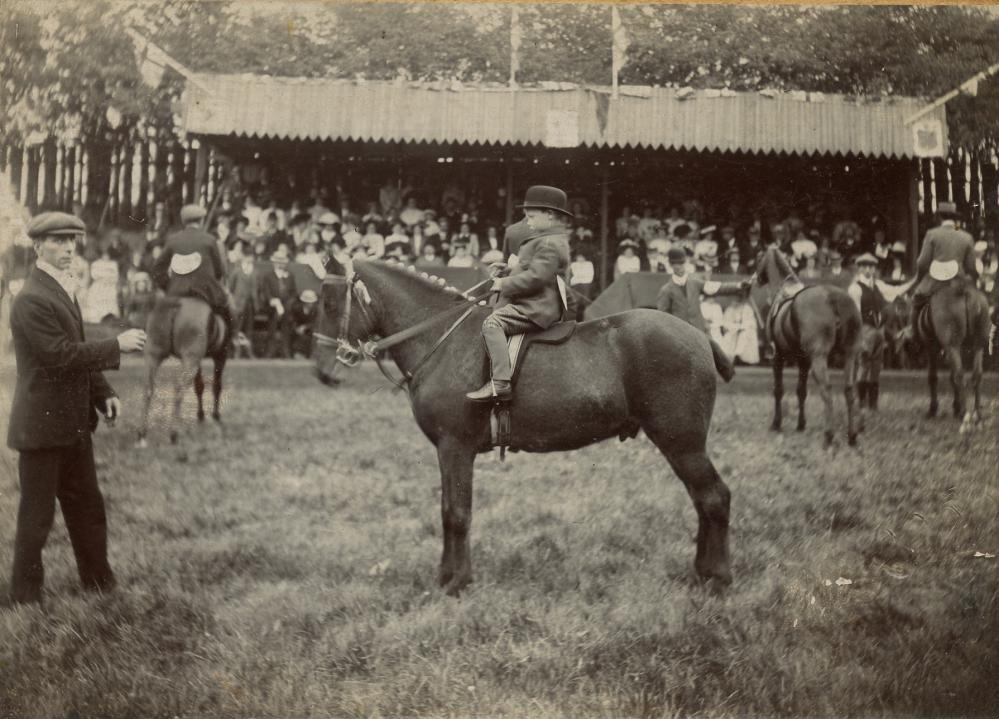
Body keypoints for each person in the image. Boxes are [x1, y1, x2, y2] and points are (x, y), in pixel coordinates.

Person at [7, 211, 147, 605]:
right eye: (58, 241)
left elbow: (75, 347)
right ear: (38, 246)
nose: (68, 248)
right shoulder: (32, 298)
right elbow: (60, 356)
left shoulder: (61, 289)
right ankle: (24, 597)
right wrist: (116, 345)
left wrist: (103, 394)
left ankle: (99, 585)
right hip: (41, 428)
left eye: (72, 240)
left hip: (72, 426)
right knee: (37, 519)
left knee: (88, 508)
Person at [466, 185, 572, 402]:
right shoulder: (545, 238)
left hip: (537, 306)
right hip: (533, 301)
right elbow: (530, 268)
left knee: (492, 323)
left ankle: (500, 382)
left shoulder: (550, 243)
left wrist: (503, 284)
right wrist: (507, 270)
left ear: (549, 215)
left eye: (531, 217)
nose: (528, 222)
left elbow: (537, 277)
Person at [152, 204, 233, 341]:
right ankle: (229, 341)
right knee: (228, 306)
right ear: (201, 221)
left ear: (184, 222)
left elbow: (157, 269)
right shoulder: (210, 240)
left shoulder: (173, 240)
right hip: (205, 291)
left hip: (177, 291)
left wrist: (168, 286)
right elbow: (219, 271)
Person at [907, 201, 977, 343]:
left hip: (935, 281)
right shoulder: (965, 236)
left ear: (939, 217)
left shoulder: (932, 234)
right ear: (955, 218)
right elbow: (971, 267)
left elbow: (922, 263)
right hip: (958, 281)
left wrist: (920, 278)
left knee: (916, 298)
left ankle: (913, 332)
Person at [656, 247, 750, 338]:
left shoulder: (695, 283)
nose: (681, 267)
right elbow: (663, 319)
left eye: (682, 263)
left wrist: (738, 286)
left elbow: (718, 288)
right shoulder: (665, 290)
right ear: (671, 265)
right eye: (677, 264)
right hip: (680, 337)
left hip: (700, 333)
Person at [849, 253, 888, 408]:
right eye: (864, 266)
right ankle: (861, 401)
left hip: (879, 329)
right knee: (864, 363)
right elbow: (856, 314)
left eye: (871, 266)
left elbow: (894, 291)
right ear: (859, 268)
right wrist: (860, 337)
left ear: (874, 269)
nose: (868, 269)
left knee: (876, 366)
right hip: (865, 329)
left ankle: (873, 402)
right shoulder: (855, 288)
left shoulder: (878, 285)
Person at [258, 247, 298, 358]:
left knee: (286, 326)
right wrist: (272, 301)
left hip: (286, 306)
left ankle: (286, 352)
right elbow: (266, 292)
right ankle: (270, 351)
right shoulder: (268, 276)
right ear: (274, 263)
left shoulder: (290, 276)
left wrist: (289, 303)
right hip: (272, 306)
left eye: (282, 262)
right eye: (278, 262)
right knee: (273, 325)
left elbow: (294, 293)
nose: (280, 264)